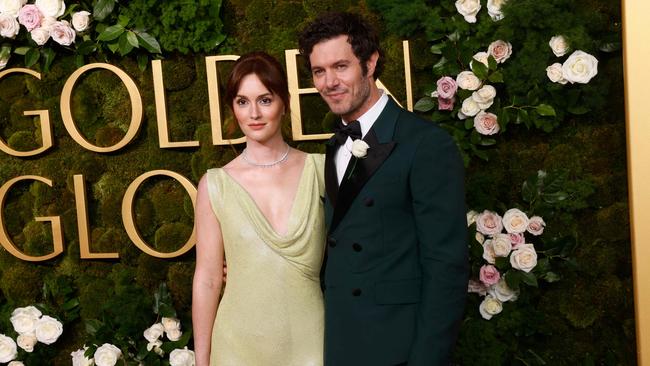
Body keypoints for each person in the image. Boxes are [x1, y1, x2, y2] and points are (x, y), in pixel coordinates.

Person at [299, 12, 469, 366]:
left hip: (399, 349)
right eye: (319, 71)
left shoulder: (425, 144)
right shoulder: (333, 146)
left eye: (341, 66)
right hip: (340, 344)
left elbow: (446, 267)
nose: (329, 82)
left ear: (371, 62)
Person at [191, 51, 326, 366]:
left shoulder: (321, 172)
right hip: (236, 348)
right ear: (233, 108)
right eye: (242, 101)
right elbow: (208, 278)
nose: (253, 113)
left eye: (265, 100)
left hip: (311, 343)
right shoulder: (215, 185)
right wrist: (202, 358)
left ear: (284, 103)